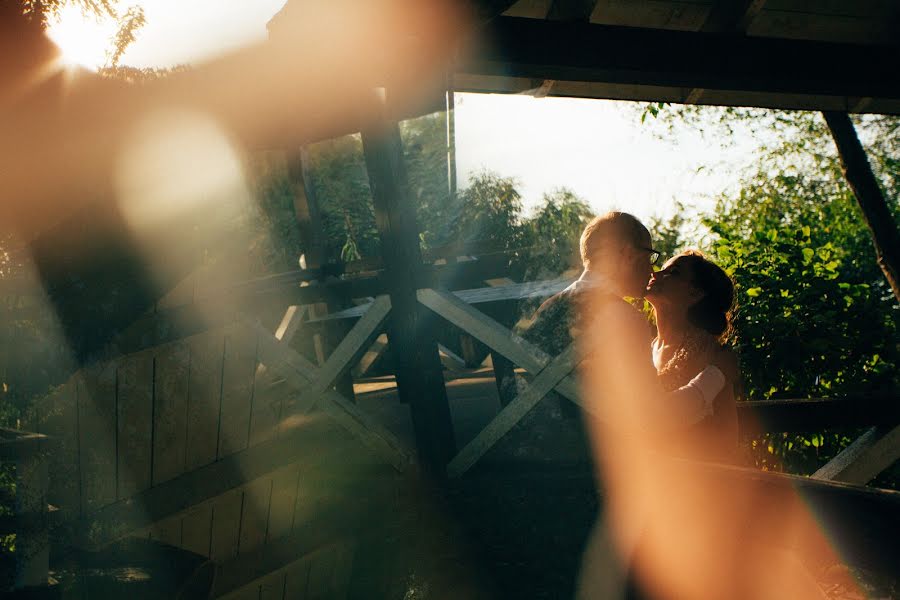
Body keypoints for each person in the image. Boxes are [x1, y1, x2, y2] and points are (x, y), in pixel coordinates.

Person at [645, 249, 740, 463]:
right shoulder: (649, 347)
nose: (656, 274)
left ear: (694, 293)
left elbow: (728, 439)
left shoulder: (708, 352)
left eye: (673, 272)